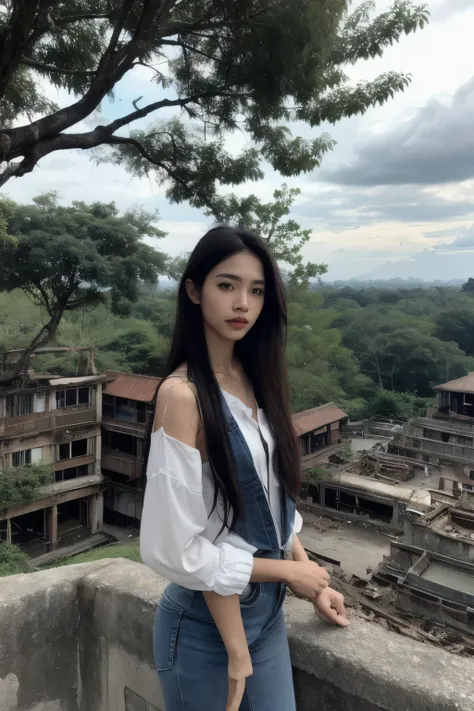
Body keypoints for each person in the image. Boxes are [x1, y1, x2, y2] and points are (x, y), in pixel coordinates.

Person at [140, 226, 349, 711]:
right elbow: (179, 548)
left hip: (267, 617)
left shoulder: (254, 380)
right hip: (203, 629)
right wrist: (286, 575)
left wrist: (307, 578)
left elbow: (267, 501)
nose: (243, 304)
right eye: (226, 285)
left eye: (256, 290)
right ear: (193, 290)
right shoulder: (182, 396)